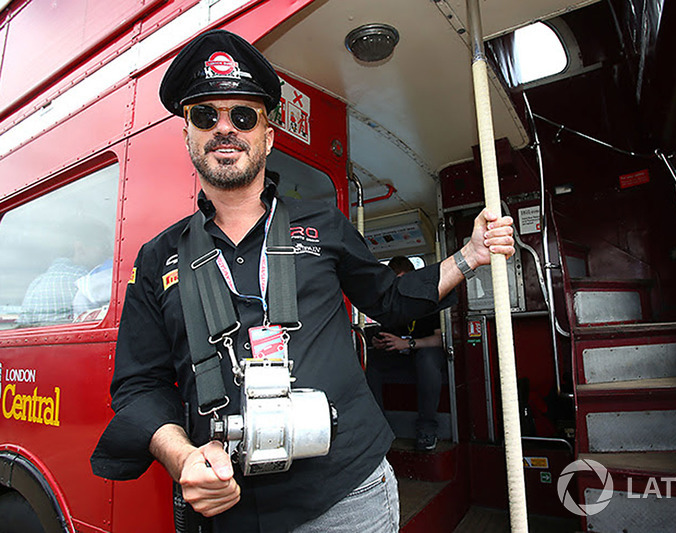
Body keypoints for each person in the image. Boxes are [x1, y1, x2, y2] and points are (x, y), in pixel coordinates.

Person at [90, 29, 514, 532]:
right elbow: (140, 384)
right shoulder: (156, 257)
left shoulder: (327, 226)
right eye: (206, 116)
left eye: (243, 116)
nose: (224, 129)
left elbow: (392, 300)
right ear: (187, 133)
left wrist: (469, 255)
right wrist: (181, 458)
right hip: (227, 511)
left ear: (268, 136)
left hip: (346, 495)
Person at [367, 256, 447, 452]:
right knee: (371, 362)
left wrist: (409, 343)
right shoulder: (394, 303)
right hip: (402, 357)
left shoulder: (429, 300)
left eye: (405, 279)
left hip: (426, 356)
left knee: (426, 358)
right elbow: (388, 334)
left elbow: (439, 339)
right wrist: (378, 342)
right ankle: (379, 427)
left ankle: (427, 428)